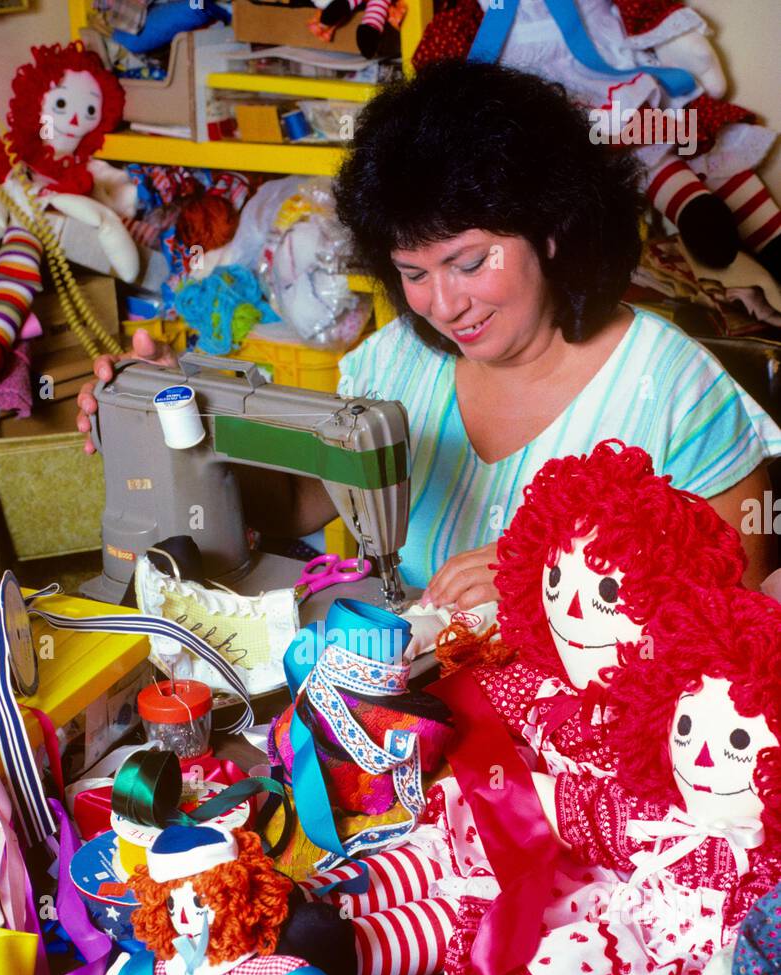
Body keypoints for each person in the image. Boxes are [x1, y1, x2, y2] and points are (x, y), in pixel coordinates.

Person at [77, 60, 781, 604]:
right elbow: (294, 506)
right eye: (412, 273)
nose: (442, 305)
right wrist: (176, 426)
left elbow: (743, 592)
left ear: (553, 230)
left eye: (469, 263)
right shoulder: (392, 364)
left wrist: (558, 584)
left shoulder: (670, 384)